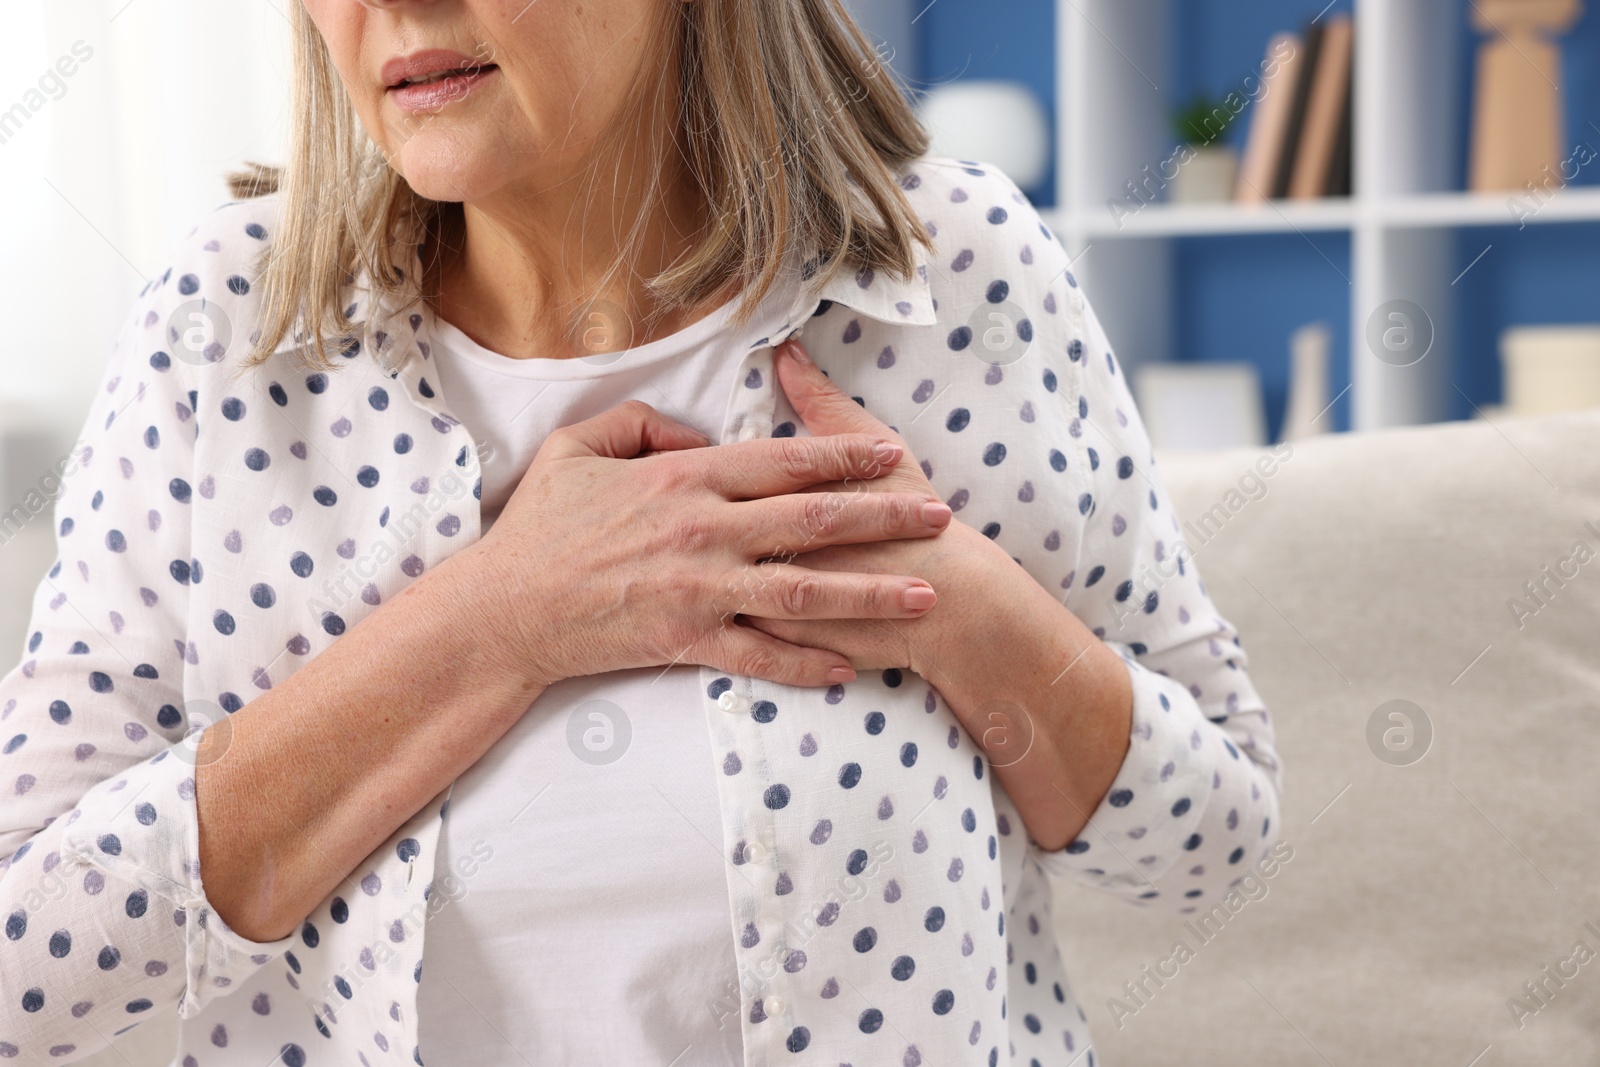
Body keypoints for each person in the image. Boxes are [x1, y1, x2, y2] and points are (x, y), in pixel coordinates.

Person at [0, 0, 1281, 1063]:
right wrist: (500, 620)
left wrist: (953, 600)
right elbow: (23, 960)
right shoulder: (228, 326)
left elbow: (1212, 846)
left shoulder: (951, 271)